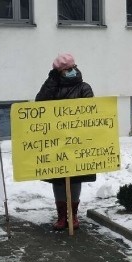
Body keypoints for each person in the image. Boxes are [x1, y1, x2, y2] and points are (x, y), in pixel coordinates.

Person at [35, 53, 95, 230]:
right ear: (58, 72)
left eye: (73, 68)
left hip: (77, 141)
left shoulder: (84, 87)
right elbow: (40, 103)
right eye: (66, 69)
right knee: (58, 178)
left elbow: (91, 110)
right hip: (56, 141)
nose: (71, 71)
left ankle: (74, 215)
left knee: (76, 178)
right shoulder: (52, 87)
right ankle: (62, 216)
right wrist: (51, 82)